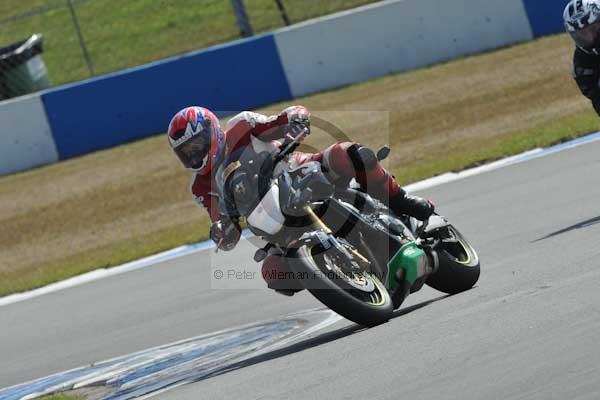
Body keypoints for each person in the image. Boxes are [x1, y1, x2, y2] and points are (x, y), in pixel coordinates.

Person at [167, 106, 434, 295]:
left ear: (212, 131)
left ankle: (400, 199)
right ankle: (337, 280)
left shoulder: (241, 126)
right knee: (273, 272)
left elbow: (281, 119)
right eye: (185, 153)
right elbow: (223, 223)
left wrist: (295, 119)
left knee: (347, 153)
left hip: (300, 172)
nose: (194, 155)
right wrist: (222, 232)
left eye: (197, 144)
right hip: (272, 218)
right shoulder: (201, 186)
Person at [564, 0, 600, 114]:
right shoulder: (582, 66)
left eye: (593, 29)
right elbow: (597, 101)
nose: (590, 38)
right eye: (582, 34)